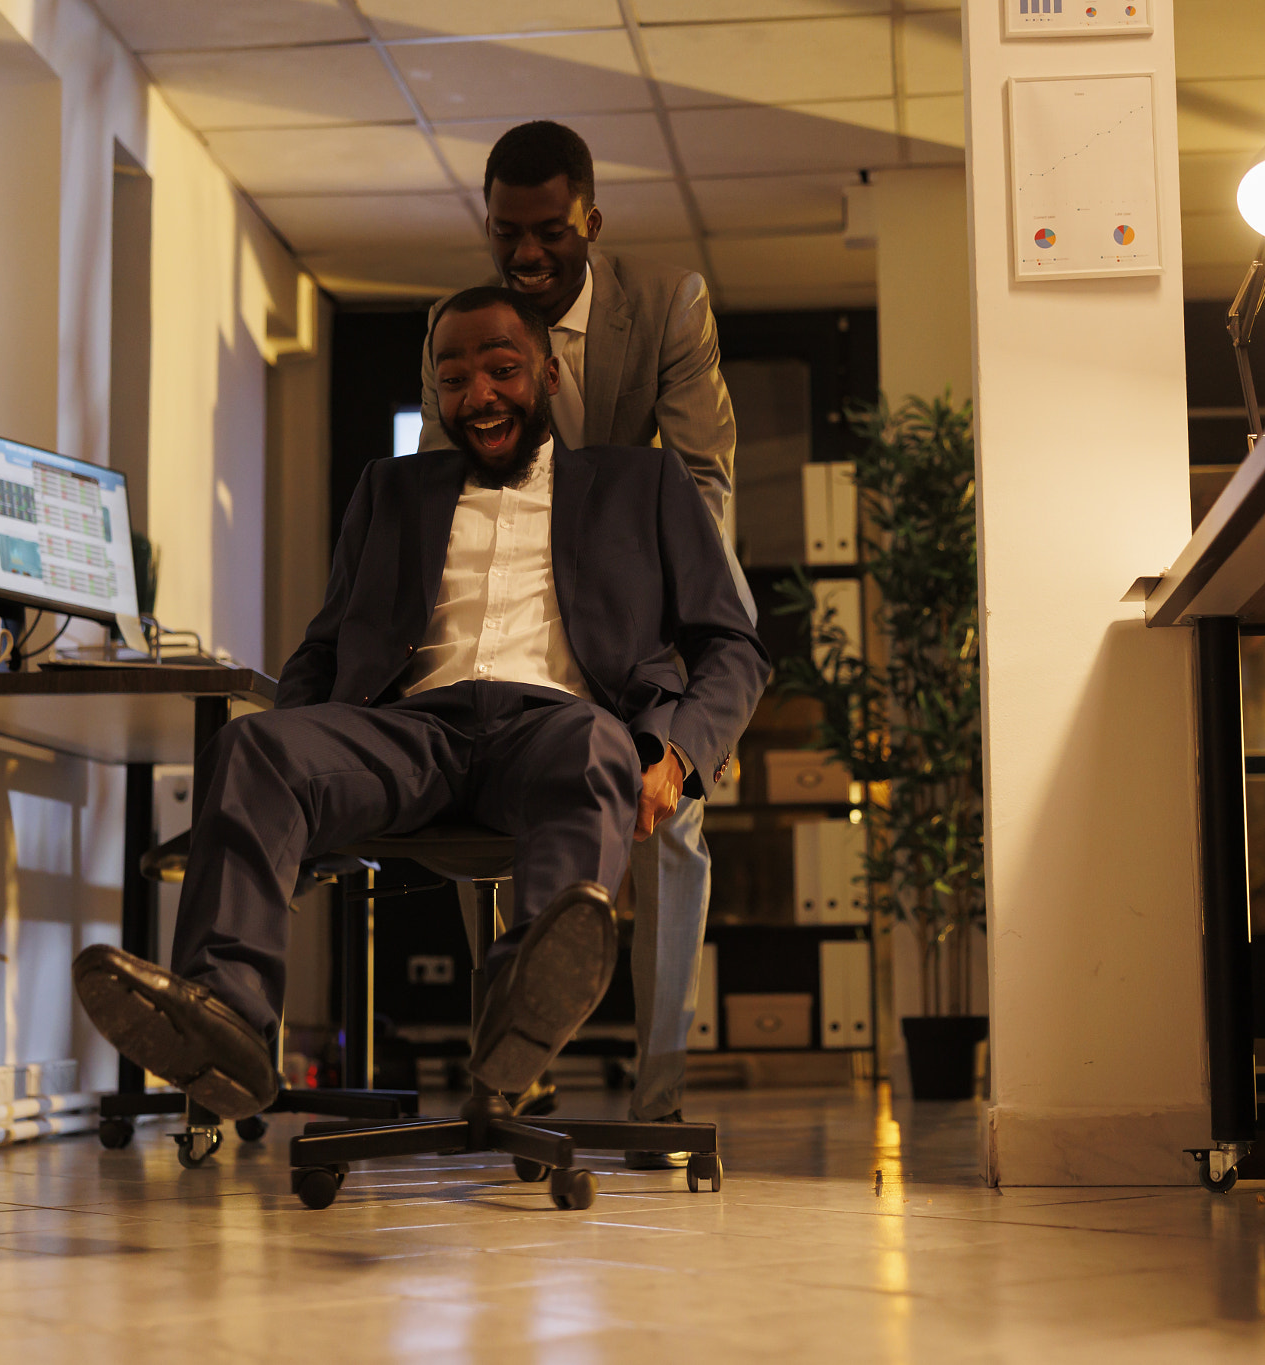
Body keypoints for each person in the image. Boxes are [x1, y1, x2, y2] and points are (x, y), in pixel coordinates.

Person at [73, 289, 769, 1122]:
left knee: (596, 745)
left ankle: (528, 1004)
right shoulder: (390, 490)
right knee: (254, 746)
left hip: (557, 726)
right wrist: (296, 745)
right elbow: (324, 649)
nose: (479, 396)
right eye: (455, 378)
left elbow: (734, 644)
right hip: (410, 732)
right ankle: (229, 1026)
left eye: (503, 371)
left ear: (548, 373)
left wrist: (681, 754)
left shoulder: (639, 482)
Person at [419, 121, 745, 1157]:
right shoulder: (464, 324)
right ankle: (517, 1071)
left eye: (548, 232)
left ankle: (657, 1094)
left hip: (637, 602)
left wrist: (704, 636)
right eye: (506, 232)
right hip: (516, 613)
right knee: (491, 802)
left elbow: (702, 481)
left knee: (674, 822)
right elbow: (442, 492)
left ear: (589, 220)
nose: (524, 257)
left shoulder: (668, 306)